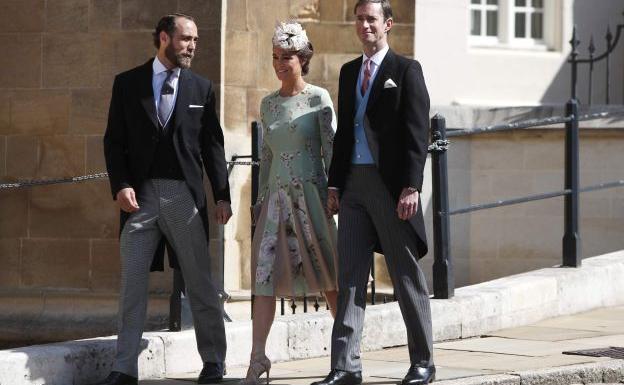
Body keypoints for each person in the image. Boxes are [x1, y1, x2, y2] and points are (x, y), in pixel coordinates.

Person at [99, 13, 232, 385]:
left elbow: (212, 145)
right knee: (132, 285)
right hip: (139, 198)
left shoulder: (201, 88)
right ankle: (124, 367)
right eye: (185, 38)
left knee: (200, 283)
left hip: (182, 196)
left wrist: (222, 195)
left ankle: (214, 362)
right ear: (163, 38)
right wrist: (121, 184)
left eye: (195, 39)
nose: (192, 45)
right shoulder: (127, 84)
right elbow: (113, 141)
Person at [313, 1, 435, 385]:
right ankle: (345, 367)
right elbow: (345, 133)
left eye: (372, 19)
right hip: (353, 185)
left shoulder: (406, 70)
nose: (364, 25)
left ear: (388, 25)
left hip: (390, 187)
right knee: (349, 275)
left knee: (405, 276)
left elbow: (418, 134)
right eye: (360, 19)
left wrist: (411, 186)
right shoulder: (350, 72)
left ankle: (423, 363)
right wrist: (335, 183)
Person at [242, 20, 339, 385]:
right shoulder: (268, 105)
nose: (280, 63)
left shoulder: (318, 99)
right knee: (263, 278)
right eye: (275, 57)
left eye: (287, 57)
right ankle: (257, 359)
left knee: (328, 276)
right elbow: (266, 157)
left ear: (303, 58)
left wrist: (335, 192)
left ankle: (346, 354)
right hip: (275, 202)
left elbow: (332, 150)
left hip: (312, 199)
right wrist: (260, 199)